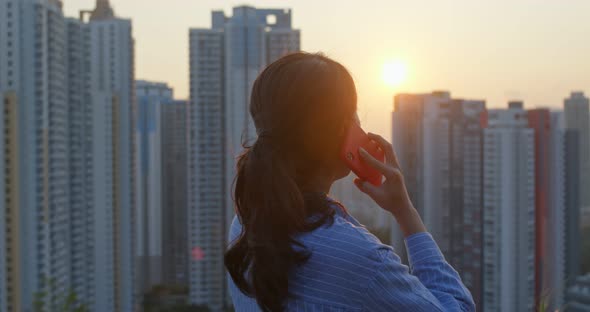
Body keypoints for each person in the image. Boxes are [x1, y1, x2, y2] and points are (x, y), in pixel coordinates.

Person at [225, 52, 475, 312]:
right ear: (342, 129)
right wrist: (405, 212)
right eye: (354, 116)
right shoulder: (363, 262)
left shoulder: (246, 224)